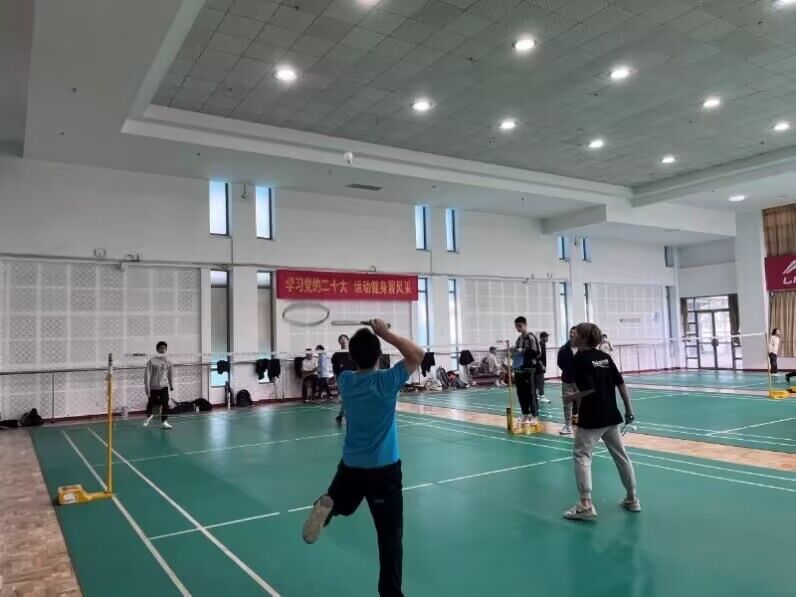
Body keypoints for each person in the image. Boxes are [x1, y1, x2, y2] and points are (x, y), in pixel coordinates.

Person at [302, 319, 424, 597]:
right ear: (379, 355)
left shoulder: (345, 381)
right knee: (390, 538)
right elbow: (417, 354)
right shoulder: (386, 381)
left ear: (352, 357)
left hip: (351, 468)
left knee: (343, 504)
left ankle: (329, 504)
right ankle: (391, 594)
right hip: (384, 471)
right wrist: (385, 333)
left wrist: (373, 339)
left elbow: (359, 362)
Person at [562, 322, 640, 520]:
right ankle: (632, 499)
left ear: (584, 338)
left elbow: (590, 389)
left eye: (576, 334)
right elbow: (620, 383)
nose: (573, 336)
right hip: (611, 415)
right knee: (621, 456)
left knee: (581, 455)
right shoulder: (605, 357)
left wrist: (571, 397)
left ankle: (585, 505)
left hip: (592, 417)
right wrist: (629, 410)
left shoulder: (579, 359)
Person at [512, 316, 540, 426]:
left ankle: (534, 415)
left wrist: (523, 351)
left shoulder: (531, 337)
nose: (518, 328)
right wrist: (513, 351)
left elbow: (537, 352)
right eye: (516, 326)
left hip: (529, 369)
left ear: (525, 325)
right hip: (519, 369)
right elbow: (516, 353)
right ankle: (525, 413)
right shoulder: (518, 339)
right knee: (520, 392)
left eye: (520, 326)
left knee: (531, 393)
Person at [144, 341, 173, 429]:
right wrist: (147, 388)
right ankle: (149, 416)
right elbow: (147, 375)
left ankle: (164, 421)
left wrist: (171, 384)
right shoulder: (151, 361)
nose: (163, 350)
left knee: (165, 403)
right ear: (157, 349)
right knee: (151, 403)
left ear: (166, 349)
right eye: (161, 348)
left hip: (164, 386)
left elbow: (170, 374)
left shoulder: (168, 361)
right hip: (154, 386)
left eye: (164, 348)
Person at [557, 326, 577, 435]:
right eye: (571, 332)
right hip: (567, 380)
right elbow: (559, 363)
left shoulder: (583, 348)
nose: (572, 334)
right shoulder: (563, 349)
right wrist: (568, 371)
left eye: (574, 333)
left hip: (581, 382)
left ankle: (585, 425)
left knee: (584, 403)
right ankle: (568, 426)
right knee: (567, 404)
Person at [332, 334, 354, 424]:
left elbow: (357, 367)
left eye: (344, 338)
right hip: (342, 379)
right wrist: (336, 381)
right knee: (346, 398)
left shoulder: (353, 353)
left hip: (353, 378)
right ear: (339, 342)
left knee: (350, 398)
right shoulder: (336, 355)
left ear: (348, 340)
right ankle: (346, 416)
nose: (343, 340)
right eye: (341, 339)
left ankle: (340, 415)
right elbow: (335, 370)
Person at [537, 331, 551, 404]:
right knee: (541, 382)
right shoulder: (540, 345)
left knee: (539, 382)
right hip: (539, 367)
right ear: (542, 338)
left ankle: (538, 396)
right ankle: (542, 396)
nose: (547, 338)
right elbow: (537, 357)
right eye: (546, 337)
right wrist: (542, 365)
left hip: (541, 366)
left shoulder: (543, 344)